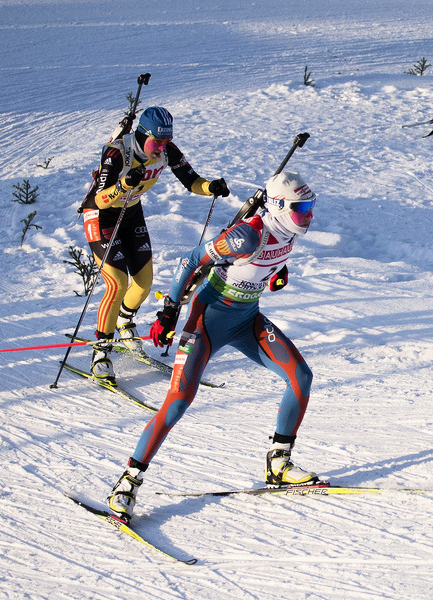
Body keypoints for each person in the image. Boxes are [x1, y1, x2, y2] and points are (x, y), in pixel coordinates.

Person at [106, 171, 319, 522]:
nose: (309, 214)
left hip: (248, 319)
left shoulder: (287, 229)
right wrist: (169, 312)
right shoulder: (246, 236)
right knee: (177, 403)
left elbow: (266, 264)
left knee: (301, 377)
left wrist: (277, 274)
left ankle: (278, 464)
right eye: (302, 207)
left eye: (311, 206)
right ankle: (127, 483)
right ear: (279, 206)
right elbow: (189, 262)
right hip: (207, 321)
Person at [80, 106, 230, 383]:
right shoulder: (116, 152)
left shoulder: (166, 150)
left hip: (131, 212)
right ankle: (101, 352)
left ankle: (124, 322)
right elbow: (99, 199)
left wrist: (211, 187)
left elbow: (191, 180)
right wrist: (124, 184)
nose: (162, 148)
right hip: (102, 215)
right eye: (157, 142)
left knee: (144, 282)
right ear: (141, 135)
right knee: (116, 283)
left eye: (166, 142)